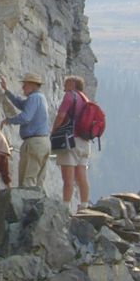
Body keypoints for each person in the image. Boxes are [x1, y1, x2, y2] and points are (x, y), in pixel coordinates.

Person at [0, 73, 50, 187]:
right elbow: (21, 104)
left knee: (28, 180)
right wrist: (7, 91)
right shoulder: (40, 98)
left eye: (25, 85)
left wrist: (9, 120)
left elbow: (26, 117)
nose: (23, 88)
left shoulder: (34, 98)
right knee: (38, 181)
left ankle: (27, 203)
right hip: (44, 142)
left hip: (34, 143)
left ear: (32, 85)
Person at [51, 75, 91, 212]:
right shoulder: (85, 98)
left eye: (66, 82)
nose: (64, 85)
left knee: (68, 176)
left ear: (73, 84)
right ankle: (84, 204)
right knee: (82, 175)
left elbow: (61, 115)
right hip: (85, 141)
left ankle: (65, 206)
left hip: (70, 139)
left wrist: (54, 129)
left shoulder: (70, 96)